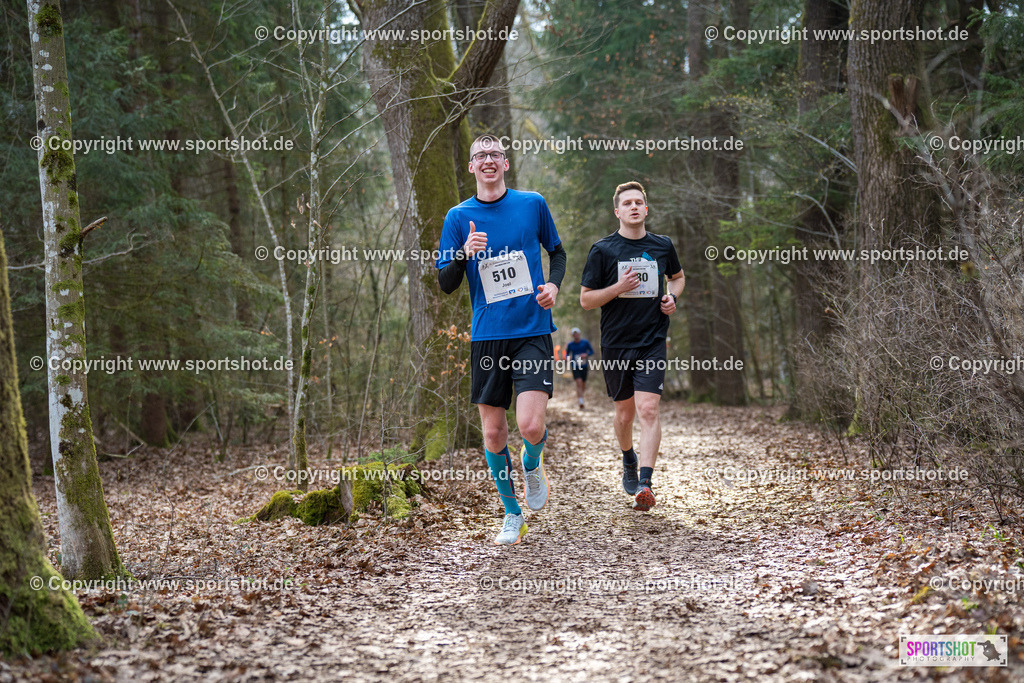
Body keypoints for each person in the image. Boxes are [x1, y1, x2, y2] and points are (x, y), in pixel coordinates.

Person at [436, 135, 566, 545]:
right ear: (471, 167)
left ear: (505, 163)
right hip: (488, 337)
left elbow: (557, 253)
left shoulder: (532, 204)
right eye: (480, 156)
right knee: (493, 434)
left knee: (529, 425)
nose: (488, 161)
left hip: (532, 329)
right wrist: (463, 253)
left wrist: (553, 286)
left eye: (495, 154)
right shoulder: (458, 218)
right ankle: (512, 515)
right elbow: (445, 283)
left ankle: (532, 463)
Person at [579, 181, 684, 511]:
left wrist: (672, 297)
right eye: (627, 203)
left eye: (639, 202)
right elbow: (585, 300)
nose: (634, 207)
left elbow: (677, 278)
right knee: (624, 414)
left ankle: (645, 483)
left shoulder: (662, 245)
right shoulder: (603, 250)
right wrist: (618, 287)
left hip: (652, 341)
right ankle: (628, 456)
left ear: (646, 209)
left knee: (649, 409)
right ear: (618, 211)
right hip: (615, 344)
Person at [566, 328, 595, 409]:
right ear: (572, 335)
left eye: (577, 333)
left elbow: (591, 351)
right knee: (578, 382)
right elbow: (567, 354)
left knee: (583, 383)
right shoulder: (570, 345)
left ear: (579, 334)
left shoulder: (585, 342)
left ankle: (581, 396)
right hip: (575, 365)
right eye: (574, 334)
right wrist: (568, 358)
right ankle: (580, 401)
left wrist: (586, 355)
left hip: (584, 365)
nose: (575, 335)